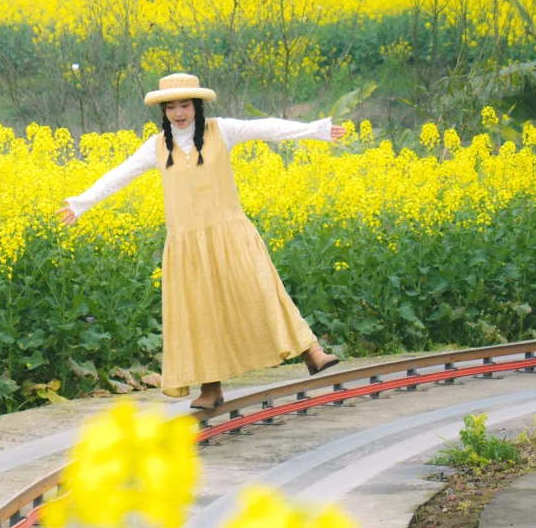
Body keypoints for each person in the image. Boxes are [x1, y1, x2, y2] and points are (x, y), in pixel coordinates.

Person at [58, 71, 345, 412]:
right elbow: (121, 174)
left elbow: (267, 127)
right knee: (200, 313)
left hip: (231, 233)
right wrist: (82, 203)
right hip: (186, 246)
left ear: (196, 105)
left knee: (264, 290)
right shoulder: (156, 147)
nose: (179, 113)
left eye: (185, 105)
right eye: (171, 107)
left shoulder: (222, 130)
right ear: (163, 112)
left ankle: (311, 351)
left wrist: (316, 131)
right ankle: (211, 387)